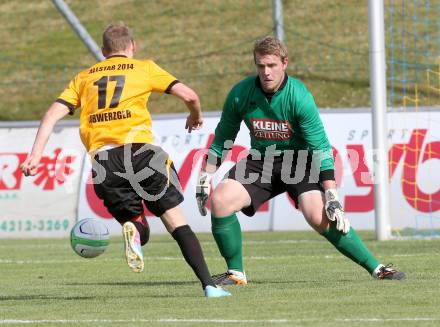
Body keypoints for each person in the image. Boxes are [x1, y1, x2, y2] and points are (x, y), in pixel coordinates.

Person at [20, 22, 230, 298]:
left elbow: (50, 115)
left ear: (103, 51)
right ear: (133, 46)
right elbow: (190, 95)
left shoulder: (84, 78)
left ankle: (133, 227)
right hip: (144, 156)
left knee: (136, 226)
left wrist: (35, 156)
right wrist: (195, 115)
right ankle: (209, 286)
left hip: (105, 162)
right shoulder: (144, 67)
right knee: (175, 220)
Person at [196, 36, 405, 286]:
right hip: (262, 160)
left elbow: (320, 146)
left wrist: (332, 195)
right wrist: (206, 175)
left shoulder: (299, 96)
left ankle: (377, 268)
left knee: (317, 215)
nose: (266, 72)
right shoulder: (241, 94)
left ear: (284, 63)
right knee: (220, 200)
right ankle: (236, 273)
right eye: (261, 66)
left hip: (301, 161)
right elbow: (223, 137)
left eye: (272, 65)